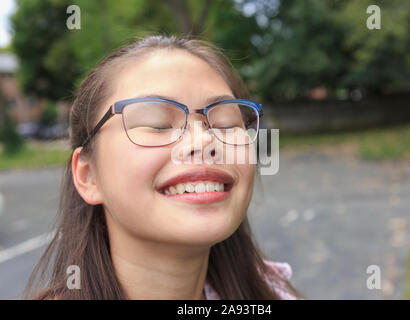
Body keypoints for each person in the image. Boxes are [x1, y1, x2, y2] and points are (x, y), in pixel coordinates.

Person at [23, 34, 303, 300]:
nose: (204, 140)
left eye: (225, 124)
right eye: (157, 124)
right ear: (88, 176)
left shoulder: (272, 293)